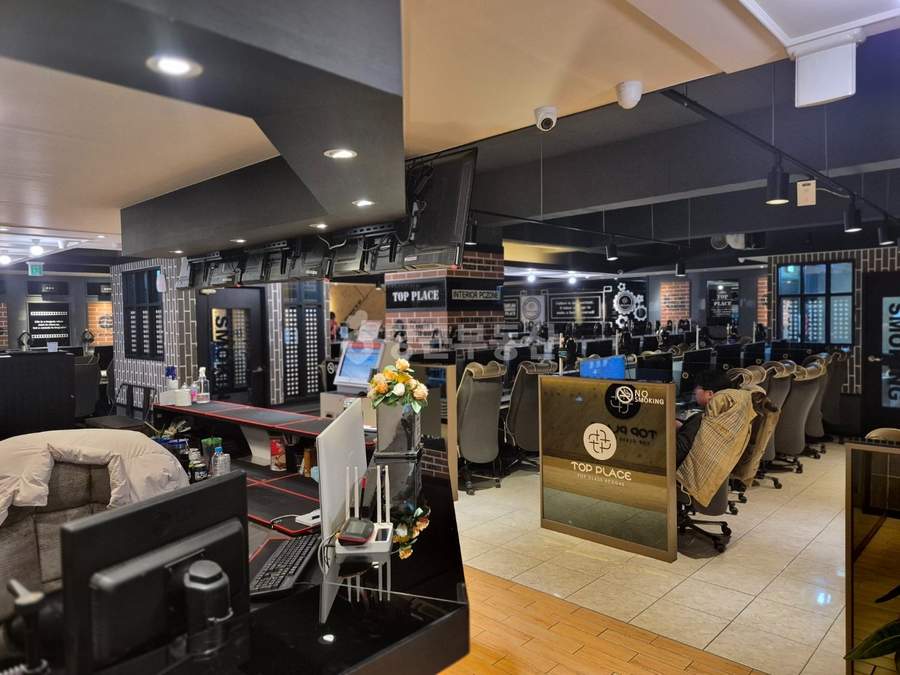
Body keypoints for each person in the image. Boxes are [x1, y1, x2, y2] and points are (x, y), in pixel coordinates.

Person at [675, 369, 734, 467]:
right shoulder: (723, 415)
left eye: (698, 388)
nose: (695, 391)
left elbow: (677, 452)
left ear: (710, 394)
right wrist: (683, 427)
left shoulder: (701, 419)